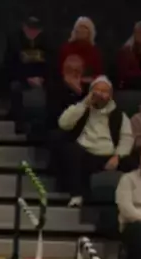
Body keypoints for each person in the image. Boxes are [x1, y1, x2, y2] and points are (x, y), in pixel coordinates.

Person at [56, 76, 133, 206]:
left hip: (109, 155)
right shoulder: (82, 108)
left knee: (134, 161)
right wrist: (85, 103)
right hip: (86, 152)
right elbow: (63, 124)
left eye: (104, 91)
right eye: (97, 91)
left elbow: (127, 138)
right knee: (70, 151)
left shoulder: (119, 114)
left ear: (111, 95)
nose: (100, 95)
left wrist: (117, 157)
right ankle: (77, 195)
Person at [2, 16, 52, 123]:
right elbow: (10, 66)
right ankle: (18, 121)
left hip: (42, 79)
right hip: (21, 78)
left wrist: (42, 78)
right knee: (15, 88)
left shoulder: (47, 43)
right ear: (24, 28)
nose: (32, 32)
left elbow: (51, 63)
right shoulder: (14, 42)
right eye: (30, 29)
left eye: (35, 30)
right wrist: (26, 78)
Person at [58, 16, 105, 82]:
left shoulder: (94, 51)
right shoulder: (65, 48)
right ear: (75, 31)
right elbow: (59, 70)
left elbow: (99, 73)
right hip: (65, 84)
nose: (81, 30)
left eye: (85, 28)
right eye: (79, 27)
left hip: (87, 85)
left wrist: (88, 79)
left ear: (90, 32)